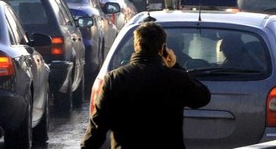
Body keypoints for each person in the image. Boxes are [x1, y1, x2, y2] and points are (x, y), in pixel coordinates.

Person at [81, 22, 211, 149]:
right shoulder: (177, 78)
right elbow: (203, 98)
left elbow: (98, 127)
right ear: (163, 48)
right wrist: (176, 67)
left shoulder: (115, 79)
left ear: (136, 45)